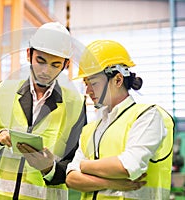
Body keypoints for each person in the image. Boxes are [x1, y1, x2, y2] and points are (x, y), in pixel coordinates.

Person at [0, 22, 87, 200]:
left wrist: (49, 168)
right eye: (41, 61)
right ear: (29, 54)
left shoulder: (75, 104)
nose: (46, 71)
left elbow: (75, 163)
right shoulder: (3, 91)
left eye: (55, 65)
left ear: (66, 64)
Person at [66, 40, 174, 199]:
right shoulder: (91, 129)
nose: (88, 90)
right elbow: (71, 178)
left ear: (118, 80)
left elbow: (127, 167)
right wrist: (111, 183)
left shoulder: (146, 116)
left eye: (93, 83)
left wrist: (84, 166)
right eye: (86, 84)